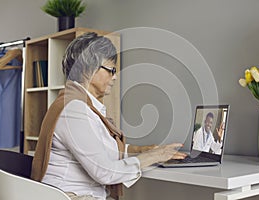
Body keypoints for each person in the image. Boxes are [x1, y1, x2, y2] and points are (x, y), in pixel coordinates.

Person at [31, 32, 186, 200]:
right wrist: (154, 157)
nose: (115, 77)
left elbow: (103, 148)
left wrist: (142, 150)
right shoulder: (74, 110)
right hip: (72, 196)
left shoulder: (78, 103)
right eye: (111, 70)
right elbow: (103, 172)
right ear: (86, 70)